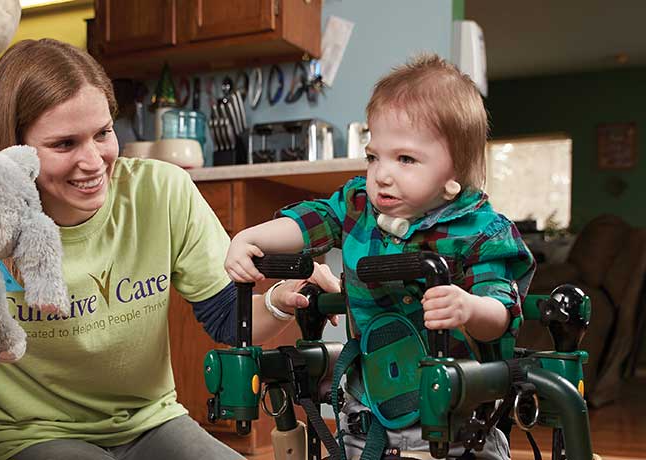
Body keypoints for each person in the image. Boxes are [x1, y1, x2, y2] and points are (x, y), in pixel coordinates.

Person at [0, 38, 340, 460]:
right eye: (64, 144)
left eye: (103, 133)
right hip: (35, 436)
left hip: (152, 421)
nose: (93, 161)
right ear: (15, 150)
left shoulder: (161, 192)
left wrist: (280, 299)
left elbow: (227, 319)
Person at [225, 54, 536, 459]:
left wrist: (468, 307)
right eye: (374, 156)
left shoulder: (479, 232)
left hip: (456, 423)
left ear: (453, 174)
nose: (382, 174)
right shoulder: (358, 205)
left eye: (405, 159)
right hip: (367, 415)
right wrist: (250, 238)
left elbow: (501, 312)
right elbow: (312, 220)